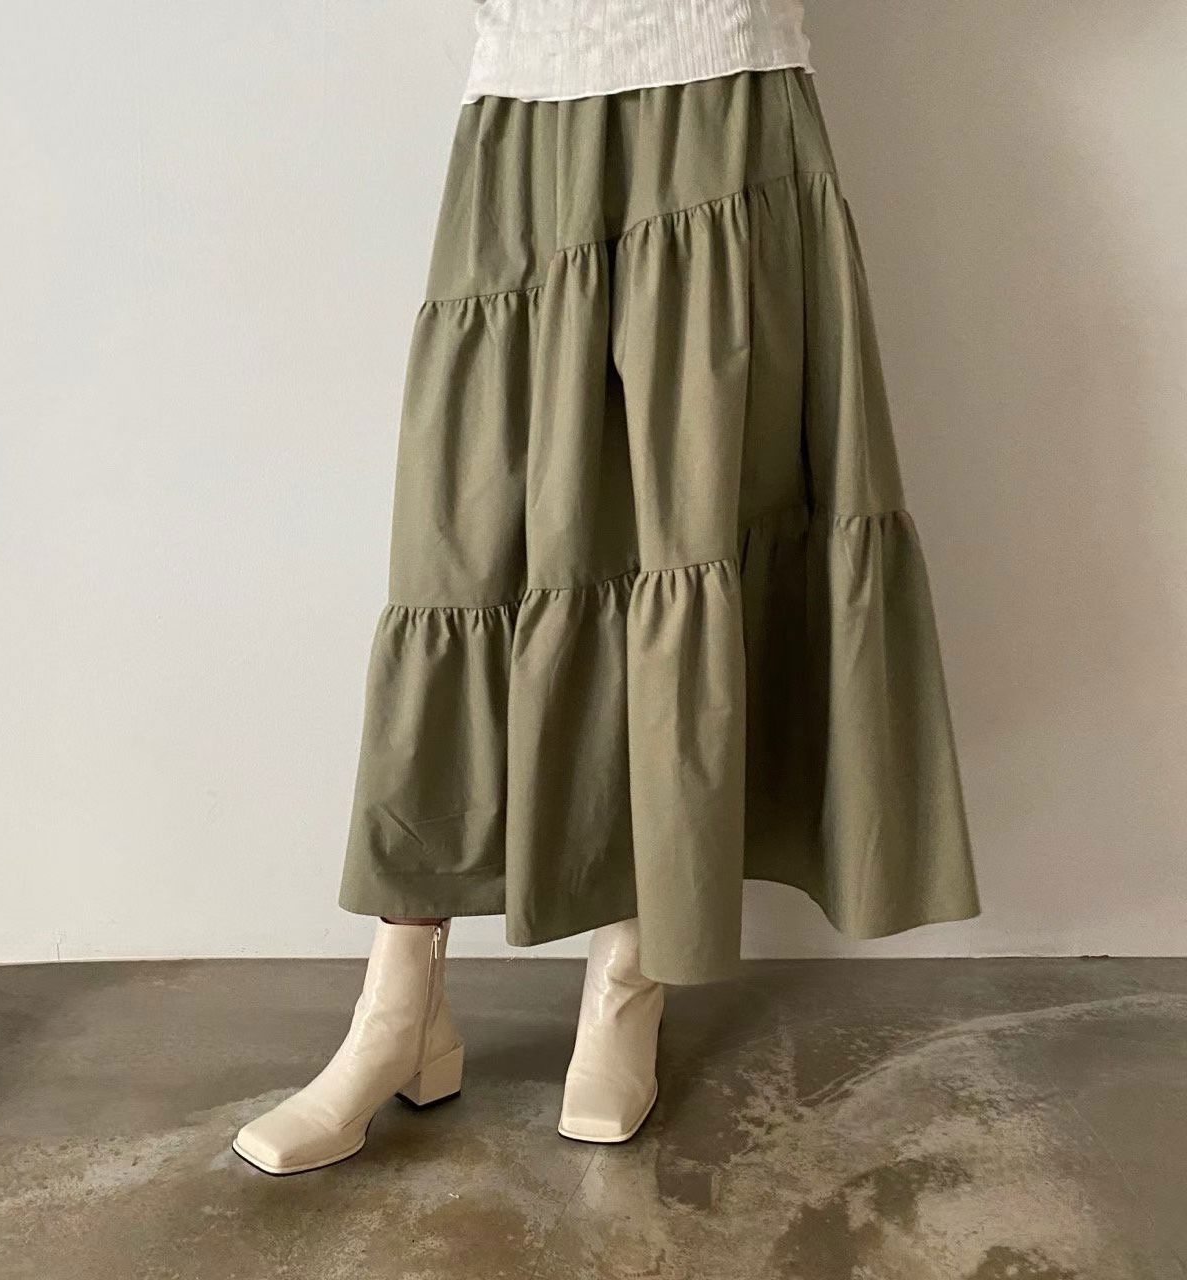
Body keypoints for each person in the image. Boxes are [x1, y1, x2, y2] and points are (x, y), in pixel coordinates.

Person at [232, 0, 980, 1175]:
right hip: (524, 119)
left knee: (686, 526)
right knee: (461, 550)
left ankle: (629, 971)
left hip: (723, 104)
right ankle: (400, 1005)